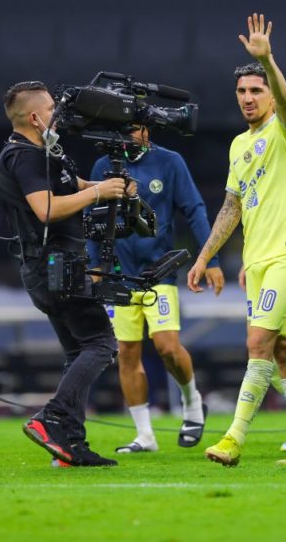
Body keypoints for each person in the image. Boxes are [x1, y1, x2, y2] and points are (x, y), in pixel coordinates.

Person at [187, 13, 286, 466]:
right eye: (242, 92)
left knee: (257, 344)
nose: (248, 98)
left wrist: (267, 59)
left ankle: (233, 438)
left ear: (270, 93)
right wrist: (204, 256)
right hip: (259, 258)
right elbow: (232, 207)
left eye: (256, 90)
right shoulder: (237, 145)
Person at [0, 80, 128, 467]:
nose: (58, 114)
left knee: (77, 351)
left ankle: (69, 447)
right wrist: (98, 195)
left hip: (51, 266)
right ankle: (52, 418)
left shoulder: (42, 152)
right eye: (52, 108)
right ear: (34, 117)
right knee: (102, 344)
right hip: (55, 265)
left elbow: (71, 186)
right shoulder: (26, 156)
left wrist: (107, 186)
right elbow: (46, 208)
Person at [87, 125, 225, 454]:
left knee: (166, 346)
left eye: (132, 129)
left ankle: (192, 403)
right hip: (118, 275)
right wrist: (95, 267)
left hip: (158, 271)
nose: (126, 136)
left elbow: (194, 210)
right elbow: (92, 219)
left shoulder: (169, 162)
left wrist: (212, 259)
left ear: (146, 129)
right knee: (126, 353)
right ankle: (145, 436)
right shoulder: (102, 166)